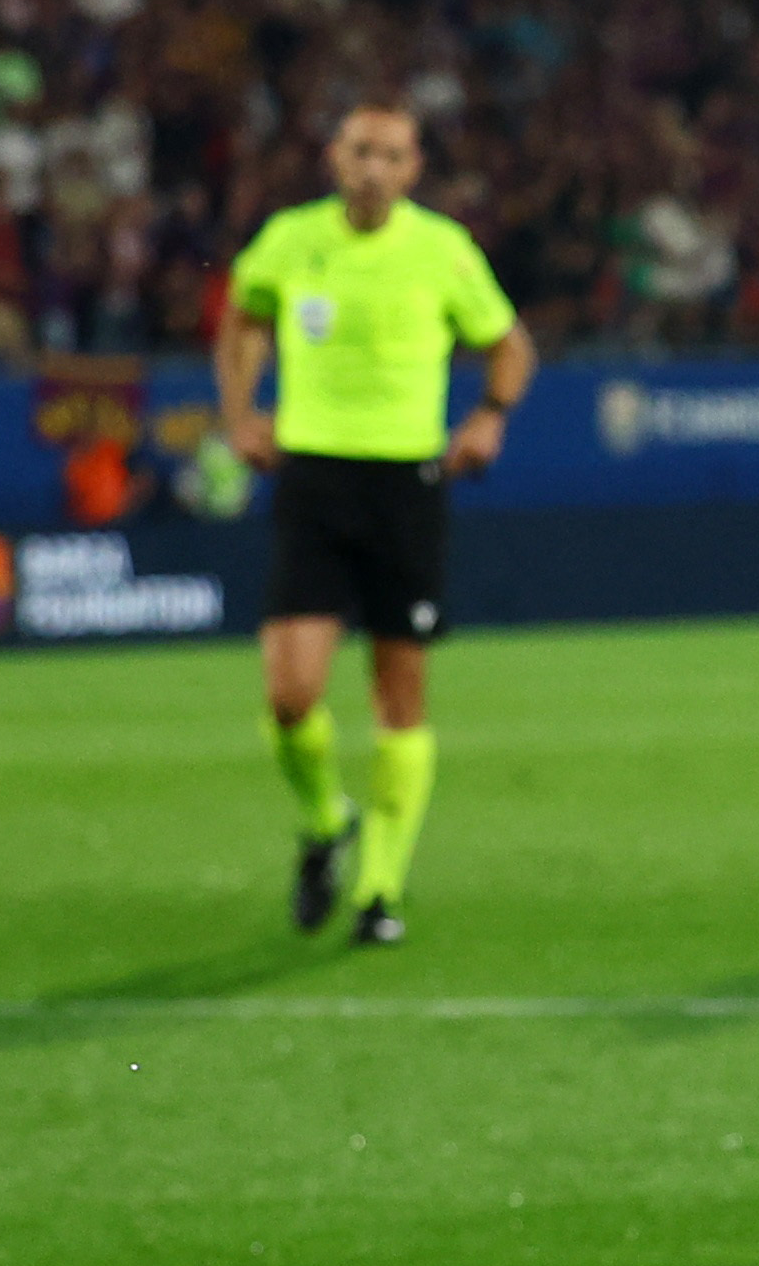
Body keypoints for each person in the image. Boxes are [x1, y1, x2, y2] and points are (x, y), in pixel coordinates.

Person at [220, 99, 534, 948]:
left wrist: (489, 417)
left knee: (400, 693)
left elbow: (509, 343)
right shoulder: (290, 239)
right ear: (334, 156)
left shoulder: (441, 248)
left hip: (406, 483)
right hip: (313, 478)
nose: (373, 169)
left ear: (413, 168)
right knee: (291, 696)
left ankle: (381, 890)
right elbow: (245, 315)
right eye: (361, 151)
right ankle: (326, 821)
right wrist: (240, 410)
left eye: (390, 155)